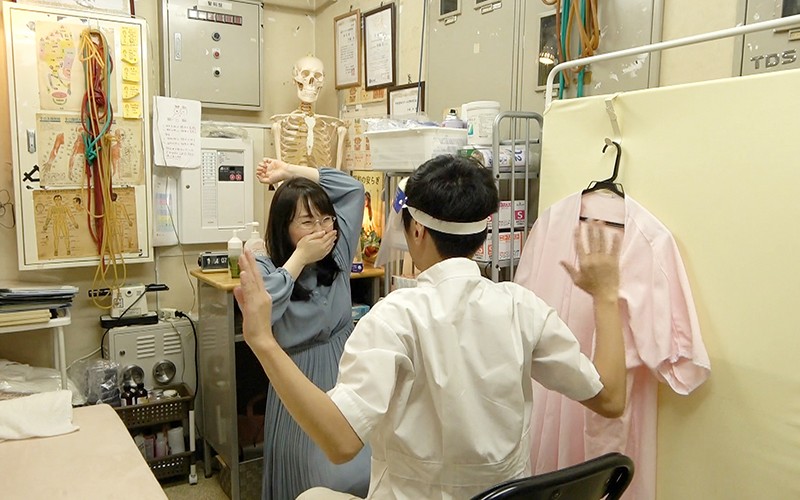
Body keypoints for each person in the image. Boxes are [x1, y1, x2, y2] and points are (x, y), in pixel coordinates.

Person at [237, 154, 626, 499]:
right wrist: (606, 296)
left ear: (417, 231)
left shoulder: (394, 318)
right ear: (481, 236)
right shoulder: (523, 308)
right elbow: (609, 400)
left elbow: (340, 443)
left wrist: (263, 341)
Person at [252, 157, 371, 500]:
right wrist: (300, 258)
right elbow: (265, 309)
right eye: (307, 222)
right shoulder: (264, 264)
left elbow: (353, 189)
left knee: (359, 467)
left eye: (325, 218)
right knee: (310, 476)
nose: (320, 229)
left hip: (344, 368)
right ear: (283, 226)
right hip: (297, 377)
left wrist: (290, 171)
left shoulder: (338, 250)